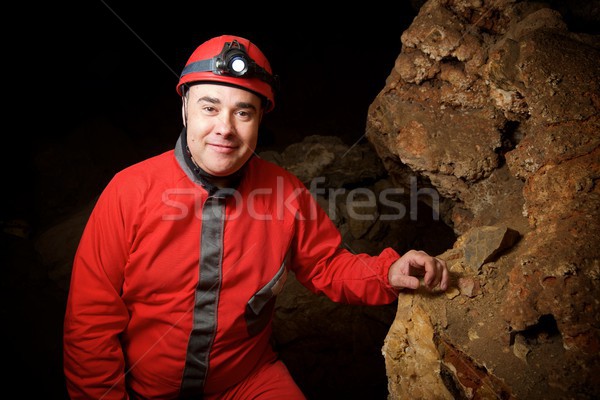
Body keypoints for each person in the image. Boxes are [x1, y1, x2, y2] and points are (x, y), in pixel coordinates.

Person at [63, 34, 449, 400]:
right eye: (209, 107)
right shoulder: (128, 191)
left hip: (247, 381)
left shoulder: (285, 193)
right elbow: (90, 324)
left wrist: (388, 273)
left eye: (243, 112)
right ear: (184, 108)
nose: (225, 129)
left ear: (261, 118)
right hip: (146, 390)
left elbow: (326, 265)